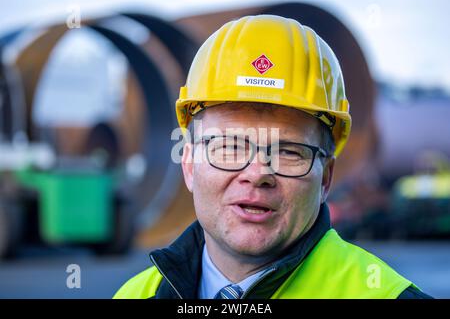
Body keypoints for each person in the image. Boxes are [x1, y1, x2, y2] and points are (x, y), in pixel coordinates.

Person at [114, 15, 431, 299]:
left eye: (288, 151)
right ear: (189, 165)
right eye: (229, 146)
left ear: (326, 178)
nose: (257, 172)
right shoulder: (136, 295)